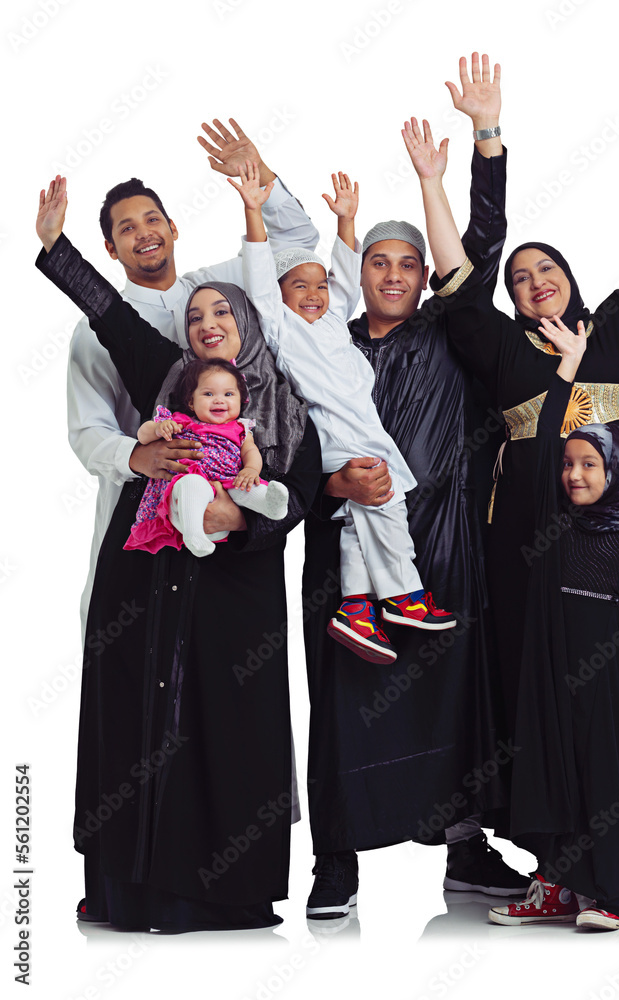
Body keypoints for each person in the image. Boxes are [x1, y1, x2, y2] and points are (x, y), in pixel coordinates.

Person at [404, 103, 619, 841]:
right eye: (520, 277)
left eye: (544, 269)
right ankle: (554, 860)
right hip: (528, 549)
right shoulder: (502, 350)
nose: (531, 282)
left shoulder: (616, 329)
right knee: (539, 691)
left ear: (567, 277)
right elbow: (458, 282)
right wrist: (440, 174)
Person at [36, 178, 320, 931]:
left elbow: (302, 486)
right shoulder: (166, 370)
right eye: (125, 227)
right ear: (112, 245)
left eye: (224, 312)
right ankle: (130, 886)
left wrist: (259, 193)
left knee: (232, 718)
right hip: (145, 548)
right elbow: (108, 335)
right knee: (137, 719)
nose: (209, 321)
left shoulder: (275, 386)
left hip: (239, 576)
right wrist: (54, 249)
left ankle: (227, 890)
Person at [301, 54, 530, 919]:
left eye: (407, 262)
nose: (394, 273)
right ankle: (335, 860)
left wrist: (479, 141)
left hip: (446, 543)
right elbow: (284, 446)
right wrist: (330, 480)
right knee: (345, 699)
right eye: (379, 261)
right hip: (347, 547)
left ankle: (464, 850)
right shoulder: (323, 345)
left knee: (455, 693)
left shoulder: (447, 328)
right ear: (357, 271)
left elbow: (483, 239)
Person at [68, 117, 319, 630]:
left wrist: (258, 174)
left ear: (173, 227)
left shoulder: (214, 290)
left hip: (231, 499)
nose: (145, 233)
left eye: (152, 219)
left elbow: (295, 245)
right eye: (127, 228)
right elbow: (88, 431)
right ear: (111, 250)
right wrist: (141, 455)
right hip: (143, 497)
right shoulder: (98, 327)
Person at [484, 316, 619, 930]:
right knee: (551, 775)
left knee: (610, 783)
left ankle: (611, 897)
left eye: (588, 465)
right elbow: (546, 435)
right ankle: (555, 888)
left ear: (615, 470)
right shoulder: (554, 524)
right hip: (557, 672)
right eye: (569, 465)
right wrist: (566, 371)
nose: (574, 474)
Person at [230, 162, 456, 663]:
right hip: (342, 437)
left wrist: (347, 224)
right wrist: (253, 210)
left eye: (319, 285)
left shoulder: (333, 321)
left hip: (358, 432)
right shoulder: (282, 329)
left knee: (359, 520)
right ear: (279, 296)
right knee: (388, 503)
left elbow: (345, 279)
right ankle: (404, 594)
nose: (313, 294)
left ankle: (356, 609)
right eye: (299, 287)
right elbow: (261, 279)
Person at [126, 358, 289, 558]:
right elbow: (142, 435)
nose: (219, 400)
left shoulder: (241, 429)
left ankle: (270, 506)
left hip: (225, 491)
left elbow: (250, 452)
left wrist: (251, 470)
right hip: (185, 499)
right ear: (191, 403)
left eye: (229, 394)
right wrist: (158, 428)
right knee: (192, 483)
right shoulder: (180, 421)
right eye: (208, 393)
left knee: (246, 484)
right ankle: (194, 535)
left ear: (241, 400)